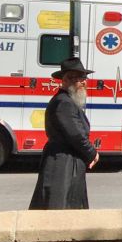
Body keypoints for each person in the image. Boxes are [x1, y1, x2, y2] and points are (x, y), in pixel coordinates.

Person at [29, 57, 99, 209]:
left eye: (84, 78)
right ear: (65, 80)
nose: (83, 82)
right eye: (78, 79)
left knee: (69, 202)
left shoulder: (67, 100)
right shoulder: (63, 103)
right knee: (58, 204)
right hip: (62, 162)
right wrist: (92, 153)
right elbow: (75, 134)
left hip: (67, 160)